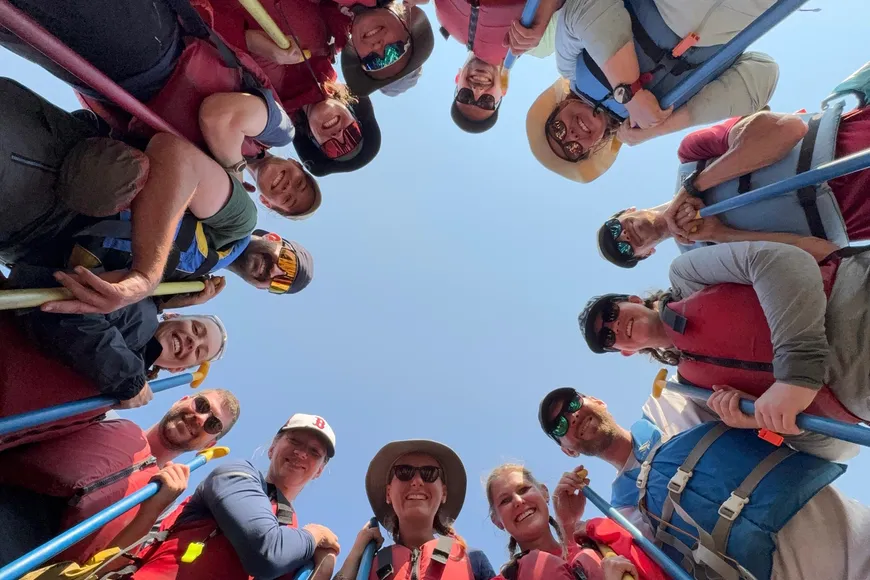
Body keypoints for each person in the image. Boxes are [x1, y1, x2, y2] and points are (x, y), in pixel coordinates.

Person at [0, 0, 321, 213]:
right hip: (152, 49)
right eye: (299, 182)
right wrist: (233, 172)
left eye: (288, 199)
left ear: (268, 202)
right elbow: (219, 116)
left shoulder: (223, 186)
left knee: (13, 22)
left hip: (104, 83)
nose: (288, 186)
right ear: (297, 166)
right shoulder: (280, 130)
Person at [536, 386, 870, 579]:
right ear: (568, 451)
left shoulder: (670, 403)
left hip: (831, 522)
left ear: (596, 401)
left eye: (574, 404)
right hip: (769, 571)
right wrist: (567, 525)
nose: (573, 417)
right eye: (560, 426)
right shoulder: (617, 513)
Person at [577, 241, 870, 433]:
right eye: (606, 337)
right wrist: (755, 420)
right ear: (624, 351)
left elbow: (780, 261)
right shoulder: (697, 390)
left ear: (633, 299)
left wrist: (797, 375)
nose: (613, 326)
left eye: (611, 312)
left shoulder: (687, 276)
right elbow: (804, 435)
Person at [597, 64, 870, 267]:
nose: (624, 236)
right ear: (646, 254)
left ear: (629, 210)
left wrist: (695, 186)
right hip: (857, 216)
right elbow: (825, 255)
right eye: (624, 249)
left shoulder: (692, 154)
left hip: (851, 141)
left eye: (614, 228)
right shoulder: (708, 261)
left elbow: (788, 130)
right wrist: (721, 234)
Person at [525, 0, 780, 183]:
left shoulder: (570, 67)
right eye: (573, 149)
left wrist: (631, 92)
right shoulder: (657, 117)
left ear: (558, 108)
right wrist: (662, 127)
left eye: (557, 129)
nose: (571, 135)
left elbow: (584, 6)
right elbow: (763, 75)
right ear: (595, 146)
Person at [0, 389, 240, 567]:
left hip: (39, 562)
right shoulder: (104, 416)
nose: (201, 418)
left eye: (213, 423)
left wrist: (154, 507)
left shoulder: (165, 505)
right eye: (201, 404)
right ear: (183, 400)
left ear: (210, 444)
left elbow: (112, 565)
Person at [125, 413, 339, 579]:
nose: (301, 453)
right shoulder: (237, 475)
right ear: (273, 447)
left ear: (319, 470)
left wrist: (347, 551)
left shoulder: (293, 535)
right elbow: (265, 552)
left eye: (314, 452)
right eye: (295, 441)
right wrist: (315, 534)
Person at [5, 264, 228, 410]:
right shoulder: (142, 311)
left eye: (199, 351)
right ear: (174, 315)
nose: (192, 342)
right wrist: (128, 379)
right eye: (197, 330)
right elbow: (71, 313)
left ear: (177, 370)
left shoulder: (130, 394)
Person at [202, 0, 383, 176]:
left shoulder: (260, 101)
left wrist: (248, 40)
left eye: (334, 147)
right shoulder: (336, 35)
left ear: (313, 139)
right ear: (354, 113)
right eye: (352, 134)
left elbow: (198, 34)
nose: (338, 134)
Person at [334, 439, 496, 580]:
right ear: (388, 493)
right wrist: (356, 553)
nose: (417, 481)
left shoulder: (473, 560)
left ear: (444, 493)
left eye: (429, 473)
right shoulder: (368, 566)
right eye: (404, 472)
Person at [485, 463, 668, 579]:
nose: (518, 501)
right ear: (497, 521)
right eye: (505, 500)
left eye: (524, 489)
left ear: (544, 493)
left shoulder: (599, 544)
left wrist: (568, 522)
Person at [436, 0, 564, 133]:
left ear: (457, 78)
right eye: (486, 102)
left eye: (465, 96)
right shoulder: (545, 44)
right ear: (503, 90)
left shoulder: (446, 17)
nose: (477, 90)